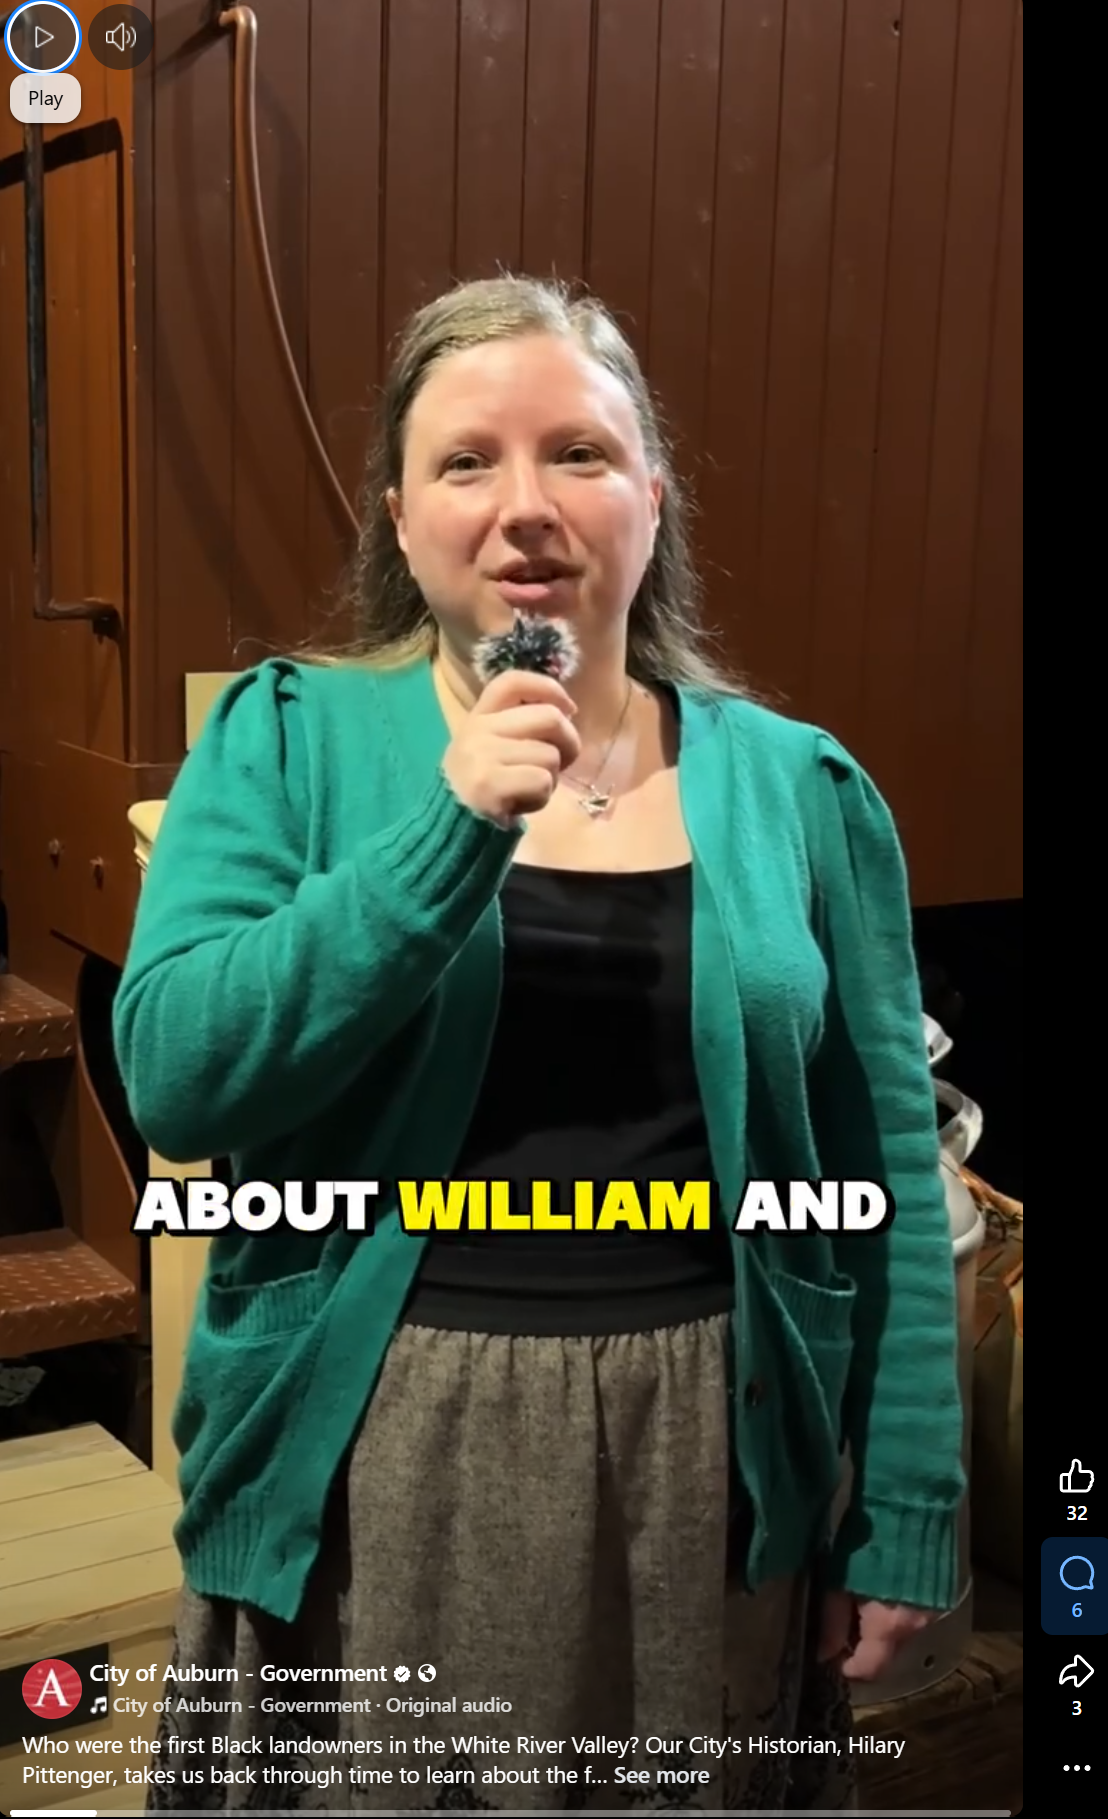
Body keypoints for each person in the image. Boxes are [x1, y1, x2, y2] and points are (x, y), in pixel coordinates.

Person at [113, 273, 965, 1815]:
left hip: (716, 1450)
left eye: (577, 452)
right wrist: (449, 829)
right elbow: (177, 1068)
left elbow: (885, 1165)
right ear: (397, 513)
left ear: (651, 493)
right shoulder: (289, 735)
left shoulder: (803, 788)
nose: (526, 509)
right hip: (378, 1449)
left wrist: (906, 1506)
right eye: (465, 462)